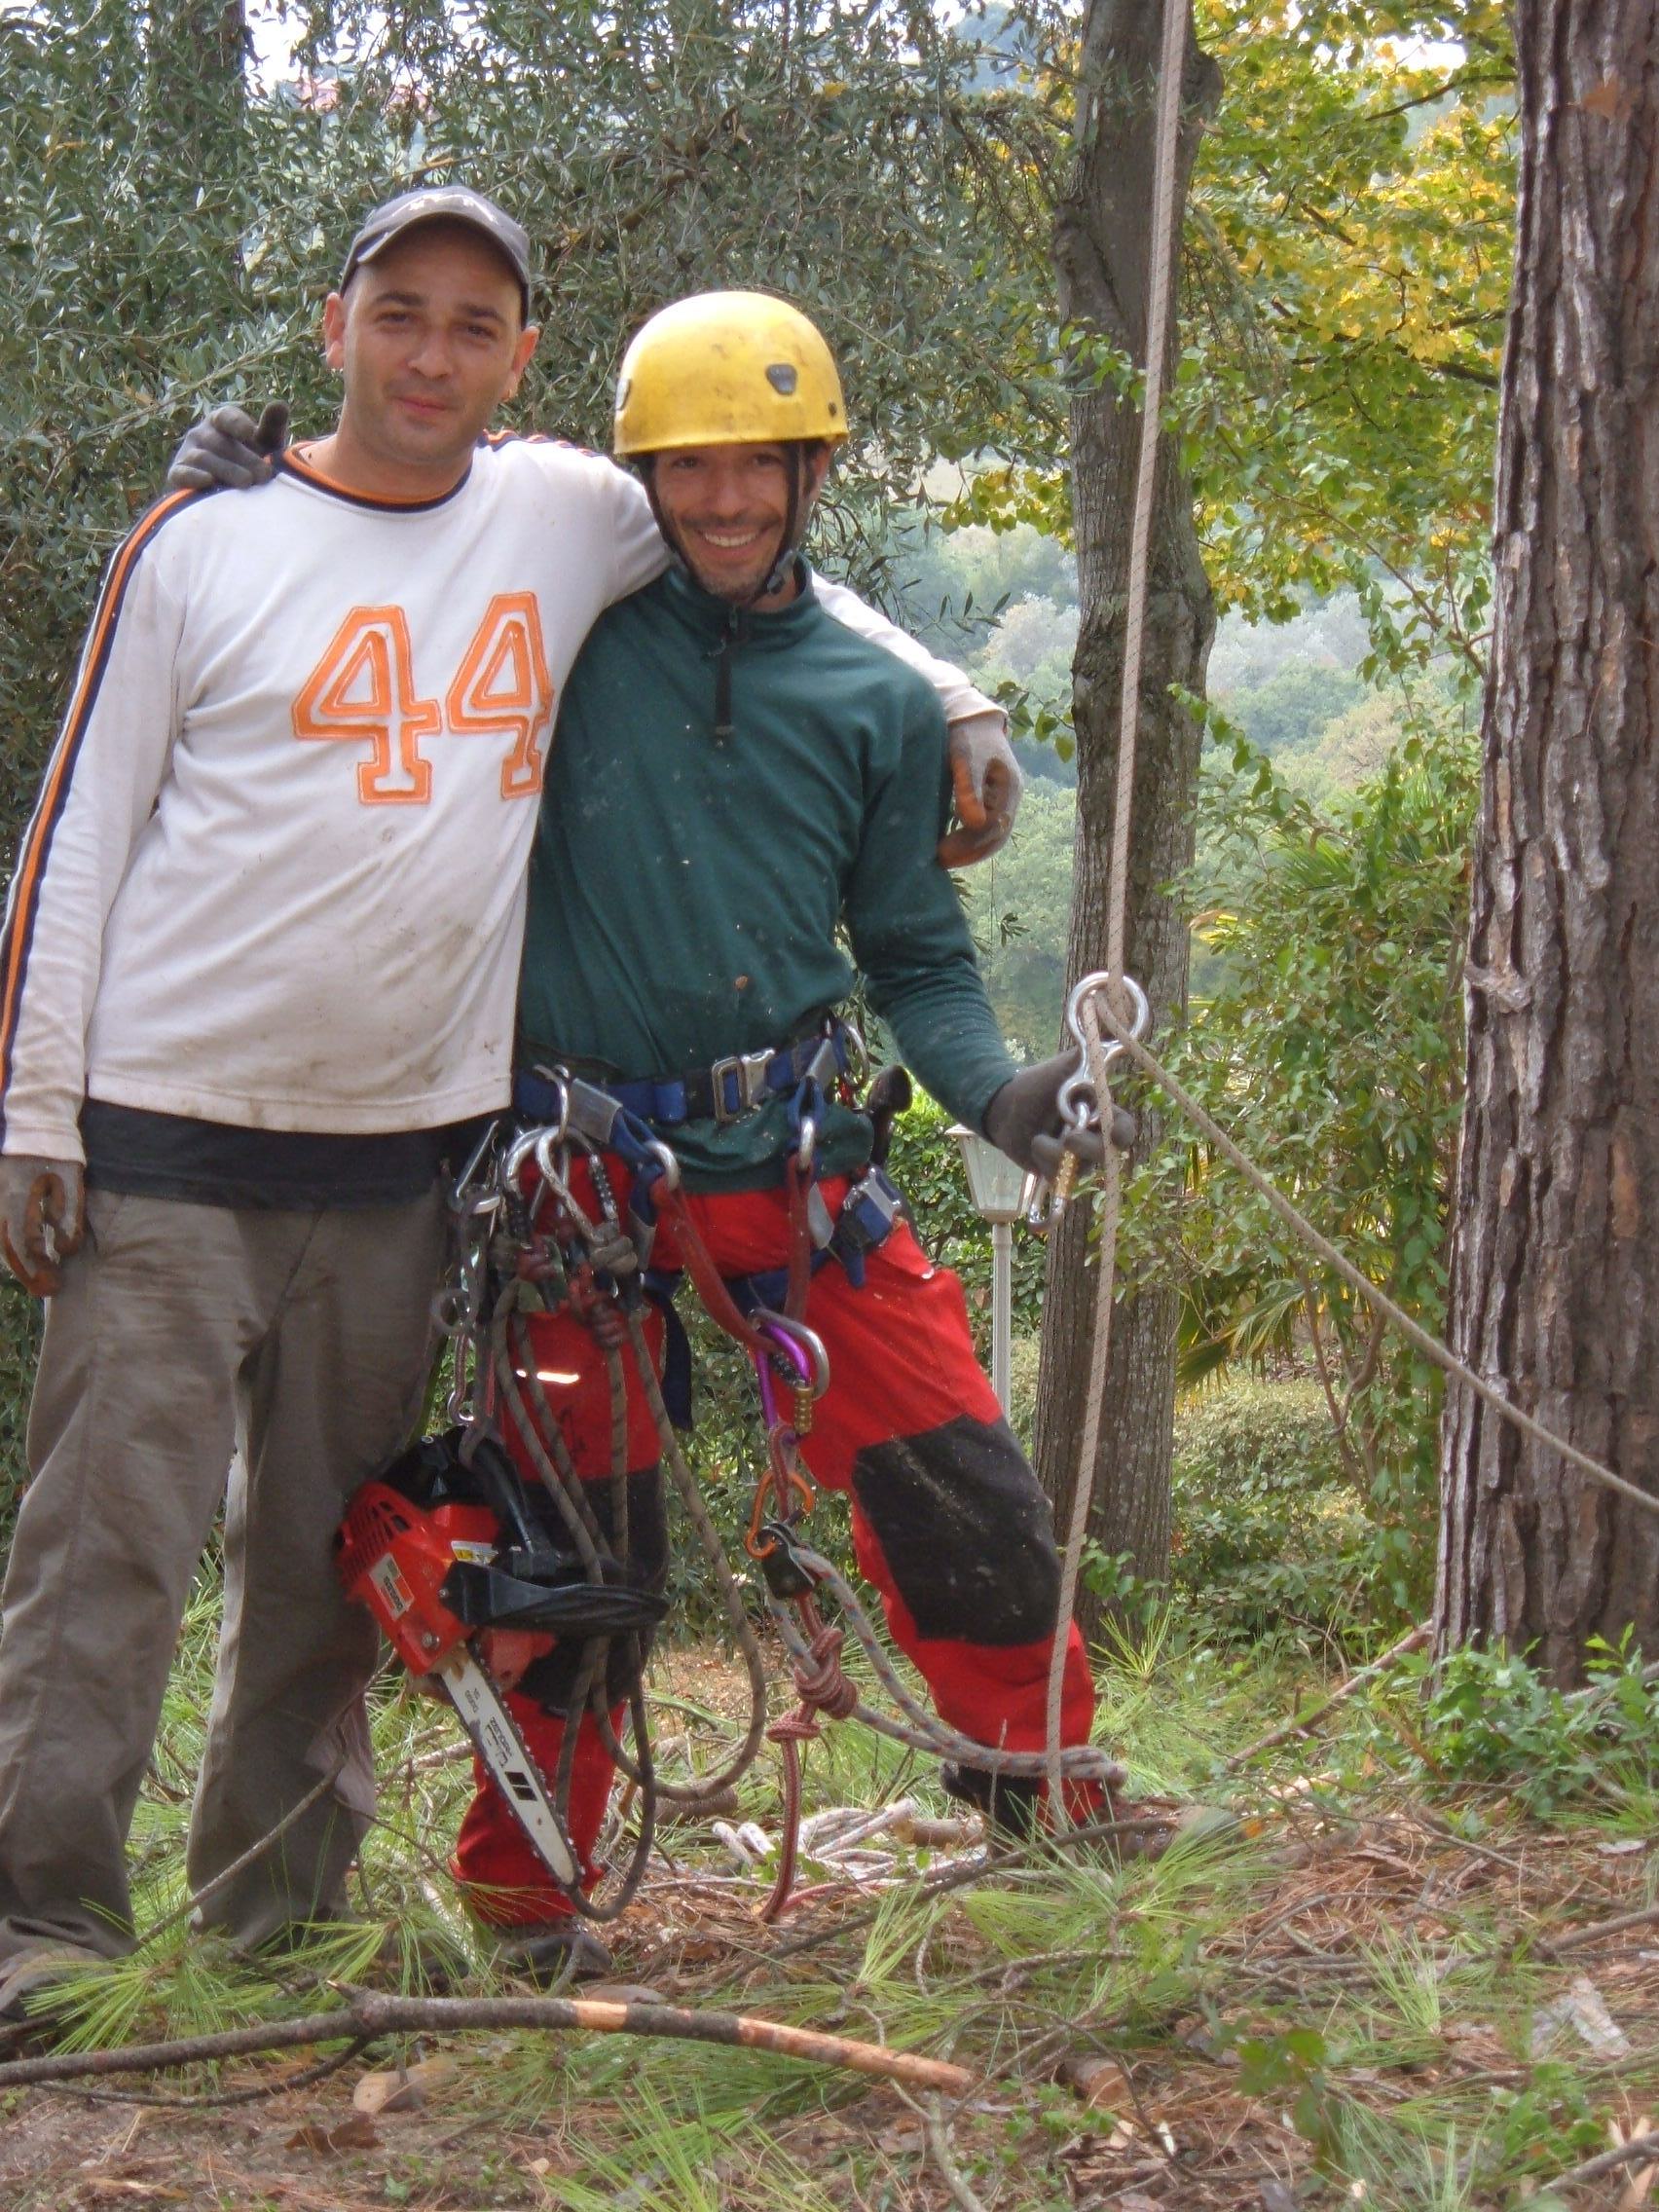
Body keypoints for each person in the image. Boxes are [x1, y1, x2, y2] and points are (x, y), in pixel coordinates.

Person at [0, 190, 1014, 2017]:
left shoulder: (559, 514)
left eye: (475, 325)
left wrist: (949, 692)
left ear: (521, 359)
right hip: (166, 1136)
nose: (433, 355)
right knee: (104, 1561)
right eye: (403, 314)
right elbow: (77, 834)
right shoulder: (199, 542)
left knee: (331, 1566)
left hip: (409, 1162)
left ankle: (276, 1928)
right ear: (336, 326)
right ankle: (42, 1932)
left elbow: (760, 541)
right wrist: (35, 1112)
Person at [434, 292, 1133, 1967]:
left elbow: (912, 954)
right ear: (647, 480)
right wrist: (252, 488)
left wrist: (1002, 1092)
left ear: (813, 471)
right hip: (576, 1176)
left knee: (954, 1464)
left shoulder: (876, 700)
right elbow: (424, 521)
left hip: (791, 1156)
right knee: (576, 1552)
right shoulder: (566, 639)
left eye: (761, 467)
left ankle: (1044, 1782)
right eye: (692, 471)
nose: (727, 502)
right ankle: (527, 1896)